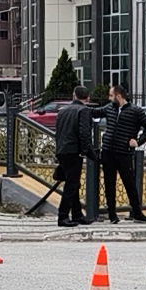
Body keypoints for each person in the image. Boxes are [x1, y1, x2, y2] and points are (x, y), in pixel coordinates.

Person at [95, 84, 146, 223]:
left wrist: (138, 141)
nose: (109, 98)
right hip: (108, 151)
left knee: (129, 184)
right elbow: (95, 112)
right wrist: (78, 107)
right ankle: (112, 214)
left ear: (118, 96)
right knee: (109, 184)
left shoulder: (135, 111)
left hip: (124, 153)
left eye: (111, 95)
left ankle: (137, 213)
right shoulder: (110, 108)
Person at [53, 86, 97, 227]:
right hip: (73, 151)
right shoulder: (83, 110)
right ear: (87, 98)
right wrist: (87, 152)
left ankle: (77, 215)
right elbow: (84, 134)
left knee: (74, 183)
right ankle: (63, 216)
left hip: (62, 150)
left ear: (74, 95)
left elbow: (58, 131)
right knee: (71, 185)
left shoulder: (63, 110)